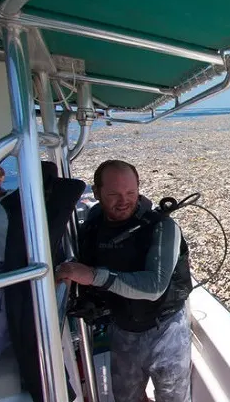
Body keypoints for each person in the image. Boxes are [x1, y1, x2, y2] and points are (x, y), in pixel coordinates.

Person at [56, 160, 193, 402]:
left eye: (131, 192)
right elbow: (86, 252)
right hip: (123, 329)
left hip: (167, 331)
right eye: (113, 194)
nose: (124, 200)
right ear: (96, 193)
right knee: (125, 397)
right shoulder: (95, 221)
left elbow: (154, 286)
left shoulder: (163, 228)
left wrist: (92, 276)